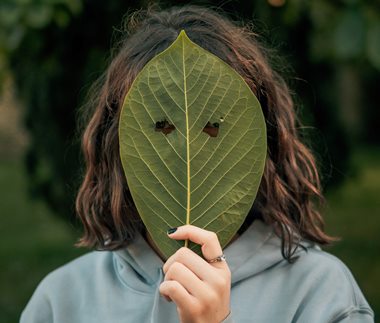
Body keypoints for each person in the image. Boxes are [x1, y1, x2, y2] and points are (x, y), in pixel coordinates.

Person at [20, 4, 374, 323]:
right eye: (161, 127)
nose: (187, 150)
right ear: (117, 145)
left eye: (214, 128)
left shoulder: (321, 294)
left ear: (259, 142)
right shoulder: (62, 300)